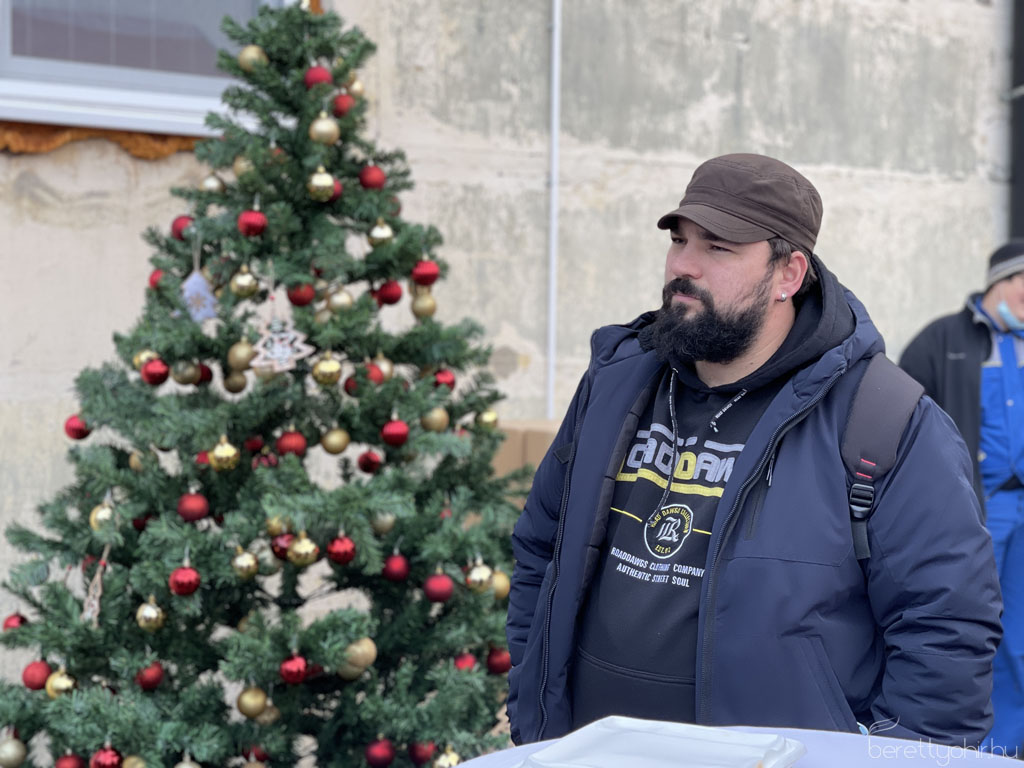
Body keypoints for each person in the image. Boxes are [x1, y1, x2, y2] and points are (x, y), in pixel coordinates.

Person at [505, 153, 1002, 749]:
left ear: (789, 274)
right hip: (588, 753)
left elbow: (946, 631)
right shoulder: (615, 383)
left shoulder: (885, 421)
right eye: (679, 241)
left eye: (717, 248)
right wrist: (533, 709)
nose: (683, 266)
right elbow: (541, 549)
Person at [900, 242, 1024, 752]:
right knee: (973, 622)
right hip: (976, 507)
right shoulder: (943, 338)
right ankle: (970, 741)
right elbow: (902, 415)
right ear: (1004, 281)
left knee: (1019, 631)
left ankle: (1009, 745)